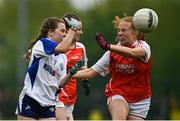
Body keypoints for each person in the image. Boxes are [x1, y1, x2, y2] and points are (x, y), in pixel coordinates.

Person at [73, 16, 152, 120]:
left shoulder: (143, 46)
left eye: (124, 30)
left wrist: (108, 46)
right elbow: (91, 72)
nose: (120, 33)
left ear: (135, 32)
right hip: (117, 93)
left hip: (141, 99)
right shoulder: (111, 54)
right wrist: (68, 75)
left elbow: (133, 53)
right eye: (119, 30)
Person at [15, 16, 84, 120]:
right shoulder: (43, 43)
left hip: (49, 104)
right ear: (51, 32)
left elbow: (60, 83)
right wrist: (73, 29)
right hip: (30, 99)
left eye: (66, 31)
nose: (65, 34)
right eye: (62, 31)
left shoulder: (62, 58)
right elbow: (63, 48)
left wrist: (71, 74)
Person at [56, 13, 89, 120]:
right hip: (56, 94)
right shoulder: (58, 48)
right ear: (70, 29)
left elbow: (83, 66)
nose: (81, 32)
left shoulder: (81, 47)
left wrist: (86, 80)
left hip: (71, 96)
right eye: (79, 29)